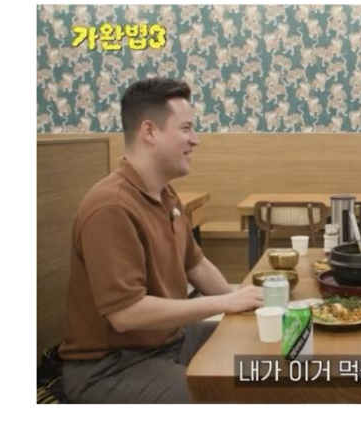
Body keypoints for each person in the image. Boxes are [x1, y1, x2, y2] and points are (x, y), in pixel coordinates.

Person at [59, 78, 263, 403]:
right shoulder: (111, 206)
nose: (195, 139)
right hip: (111, 366)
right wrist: (223, 304)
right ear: (150, 131)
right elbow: (126, 314)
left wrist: (247, 305)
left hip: (170, 341)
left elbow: (196, 264)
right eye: (186, 128)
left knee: (259, 342)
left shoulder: (164, 193)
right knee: (228, 396)